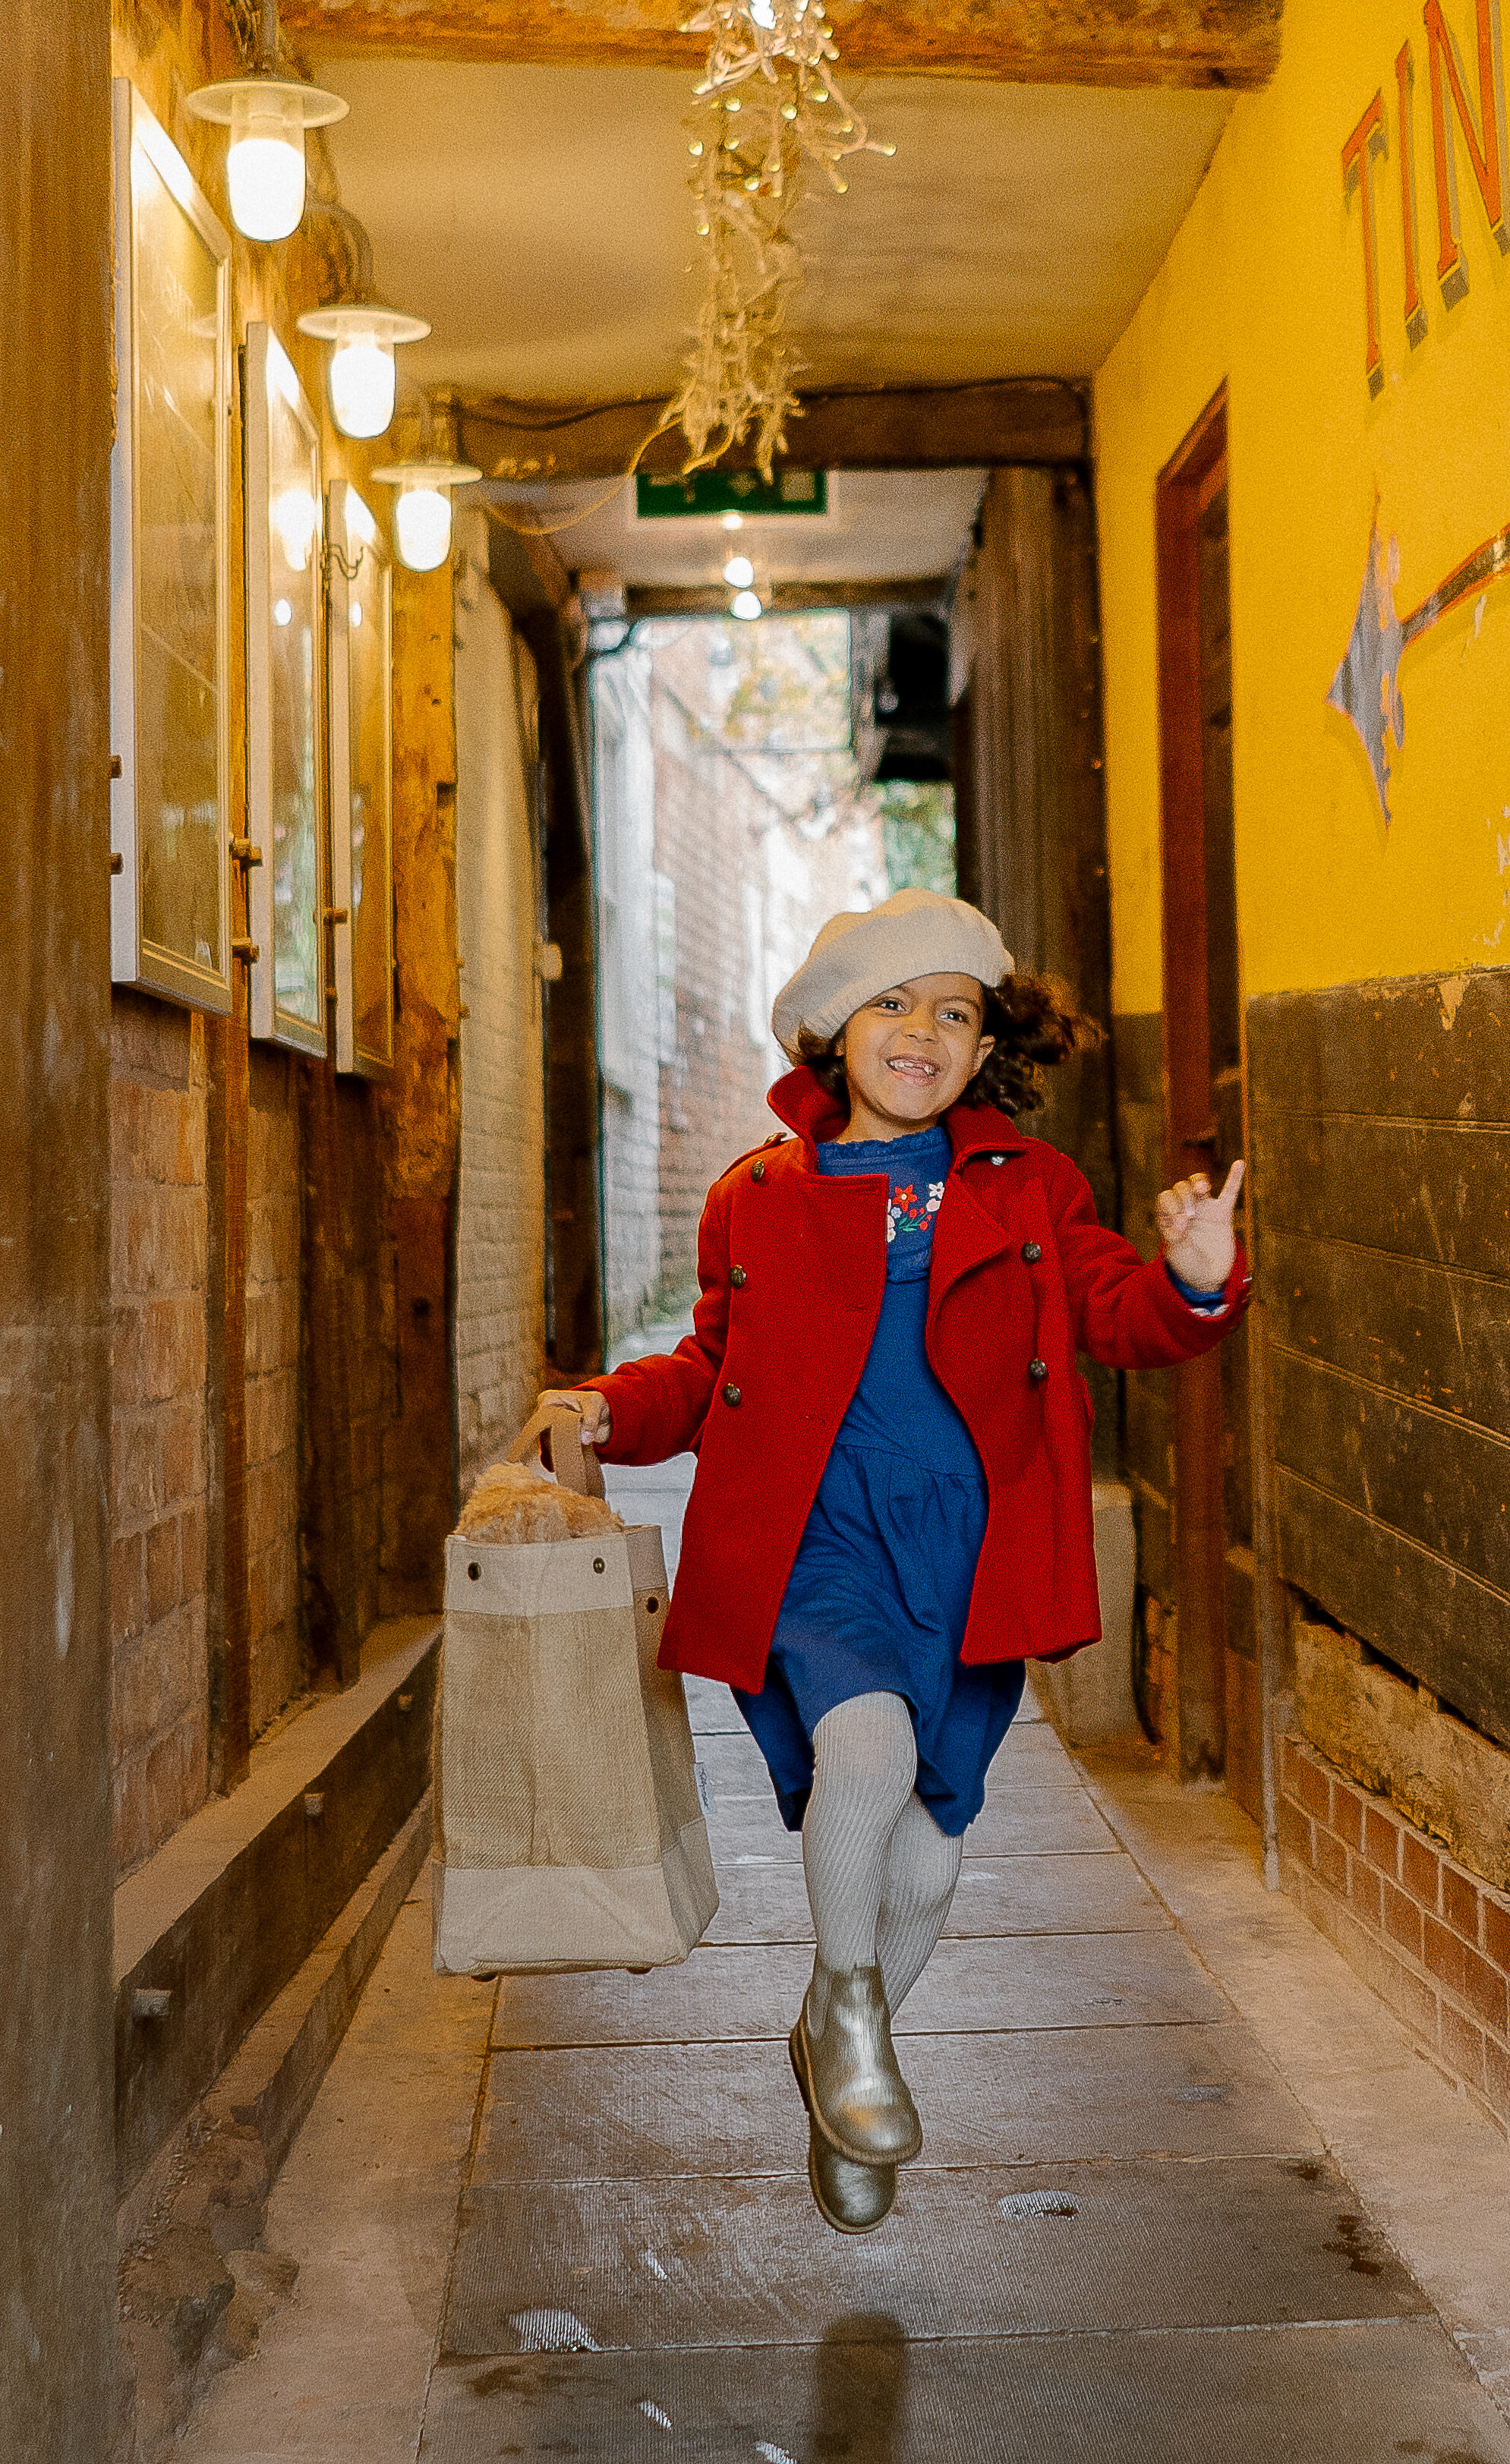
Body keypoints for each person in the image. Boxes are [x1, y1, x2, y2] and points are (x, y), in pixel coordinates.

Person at [517, 892, 1249, 2229]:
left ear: (985, 1052)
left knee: (925, 1869)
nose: (923, 1030)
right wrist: (608, 1407)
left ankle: (823, 2041)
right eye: (894, 1004)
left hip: (969, 1567)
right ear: (833, 1029)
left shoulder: (1030, 1188)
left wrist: (1192, 1280)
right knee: (864, 1754)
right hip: (812, 1545)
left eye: (956, 1013)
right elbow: (708, 1368)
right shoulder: (755, 1199)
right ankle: (854, 2027)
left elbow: (1113, 1310)